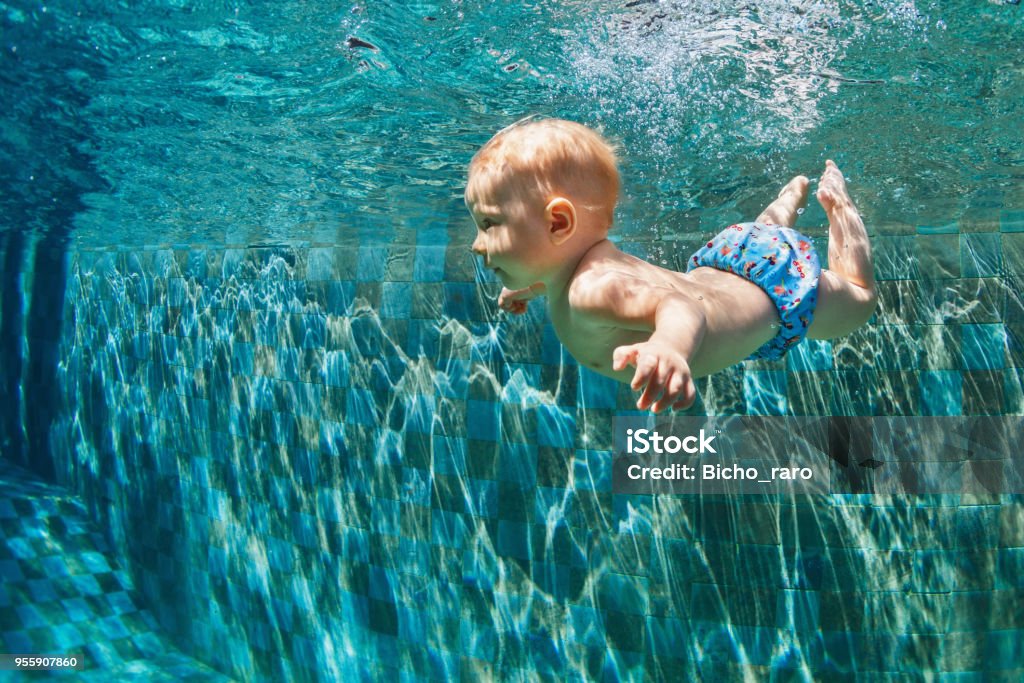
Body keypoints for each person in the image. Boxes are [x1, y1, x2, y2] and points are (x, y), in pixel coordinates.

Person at [465, 118, 876, 413]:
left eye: (488, 225)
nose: (475, 244)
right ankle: (785, 205)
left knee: (858, 301)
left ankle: (837, 206)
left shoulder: (593, 288)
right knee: (765, 235)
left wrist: (669, 347)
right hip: (734, 262)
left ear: (558, 223)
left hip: (776, 293)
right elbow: (562, 273)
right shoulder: (571, 273)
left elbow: (681, 308)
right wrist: (530, 285)